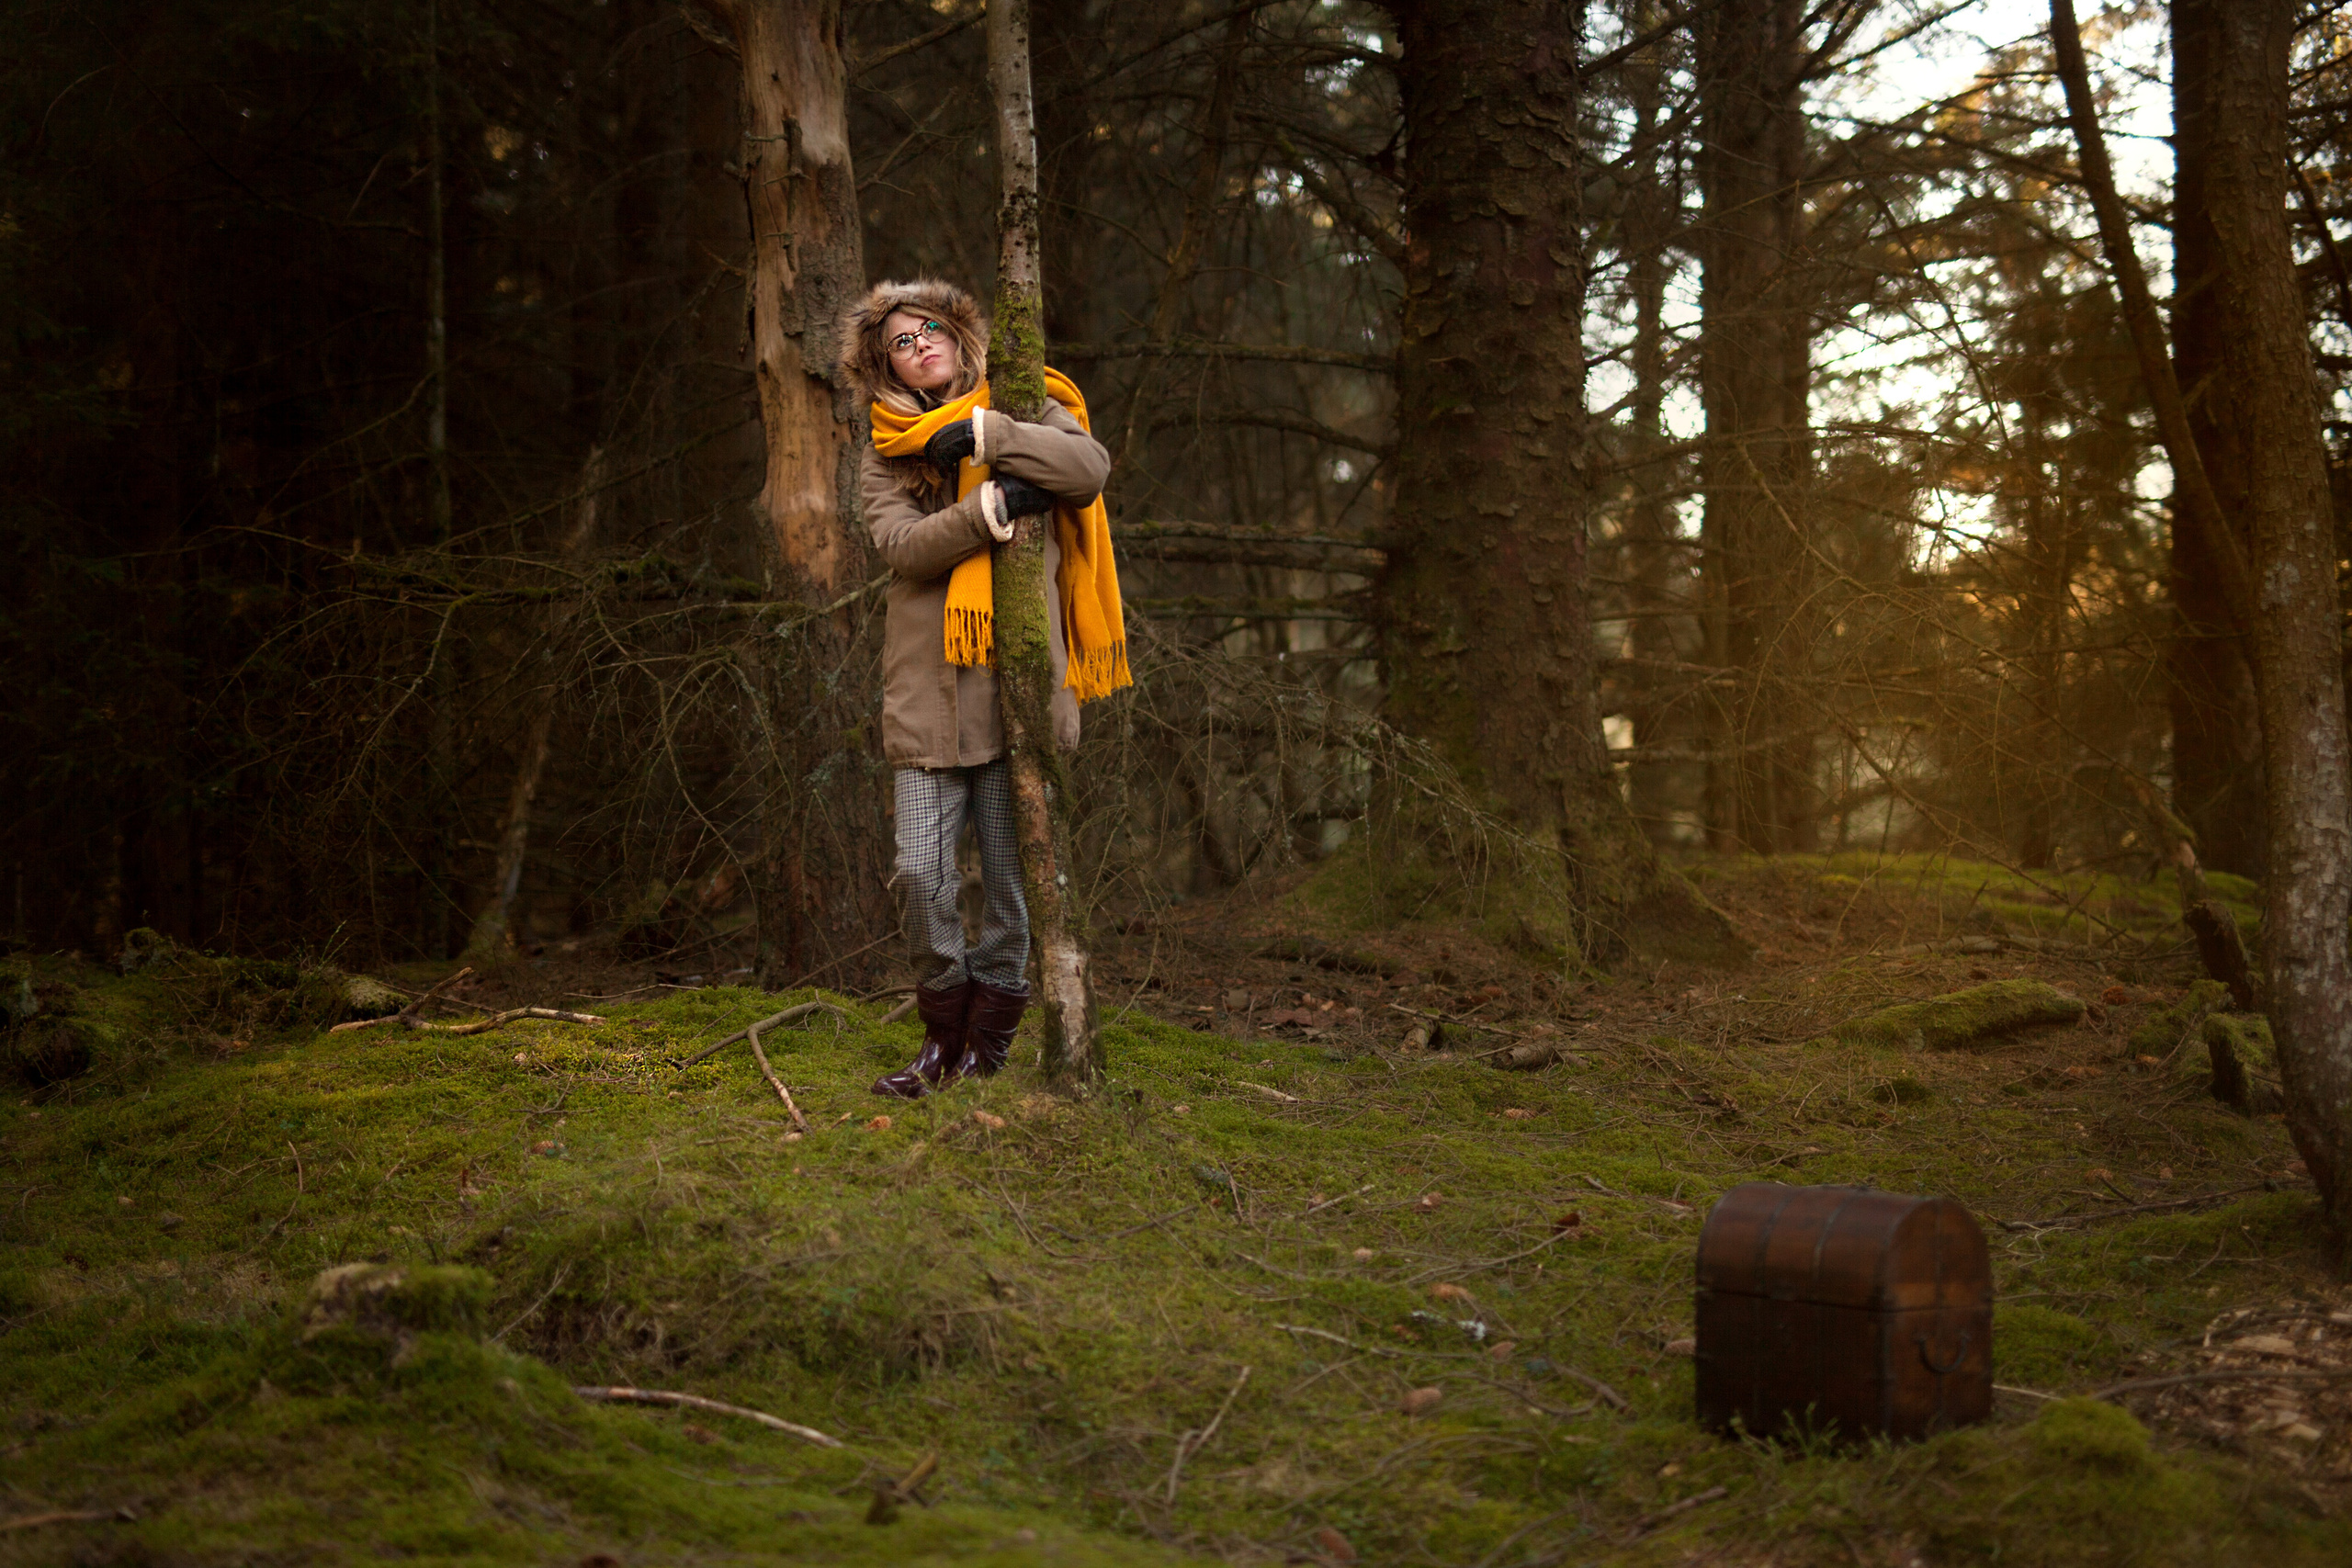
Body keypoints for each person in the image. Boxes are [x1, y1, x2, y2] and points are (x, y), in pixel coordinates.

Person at [839, 278, 1128, 1098]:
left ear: (958, 335)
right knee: (922, 871)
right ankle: (940, 1037)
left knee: (1007, 884)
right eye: (901, 339)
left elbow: (1087, 467)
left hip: (1016, 692)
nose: (921, 342)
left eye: (931, 327)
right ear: (882, 361)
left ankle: (987, 1046)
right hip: (927, 694)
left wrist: (989, 435)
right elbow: (900, 544)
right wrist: (989, 506)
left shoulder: (1024, 402)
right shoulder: (885, 445)